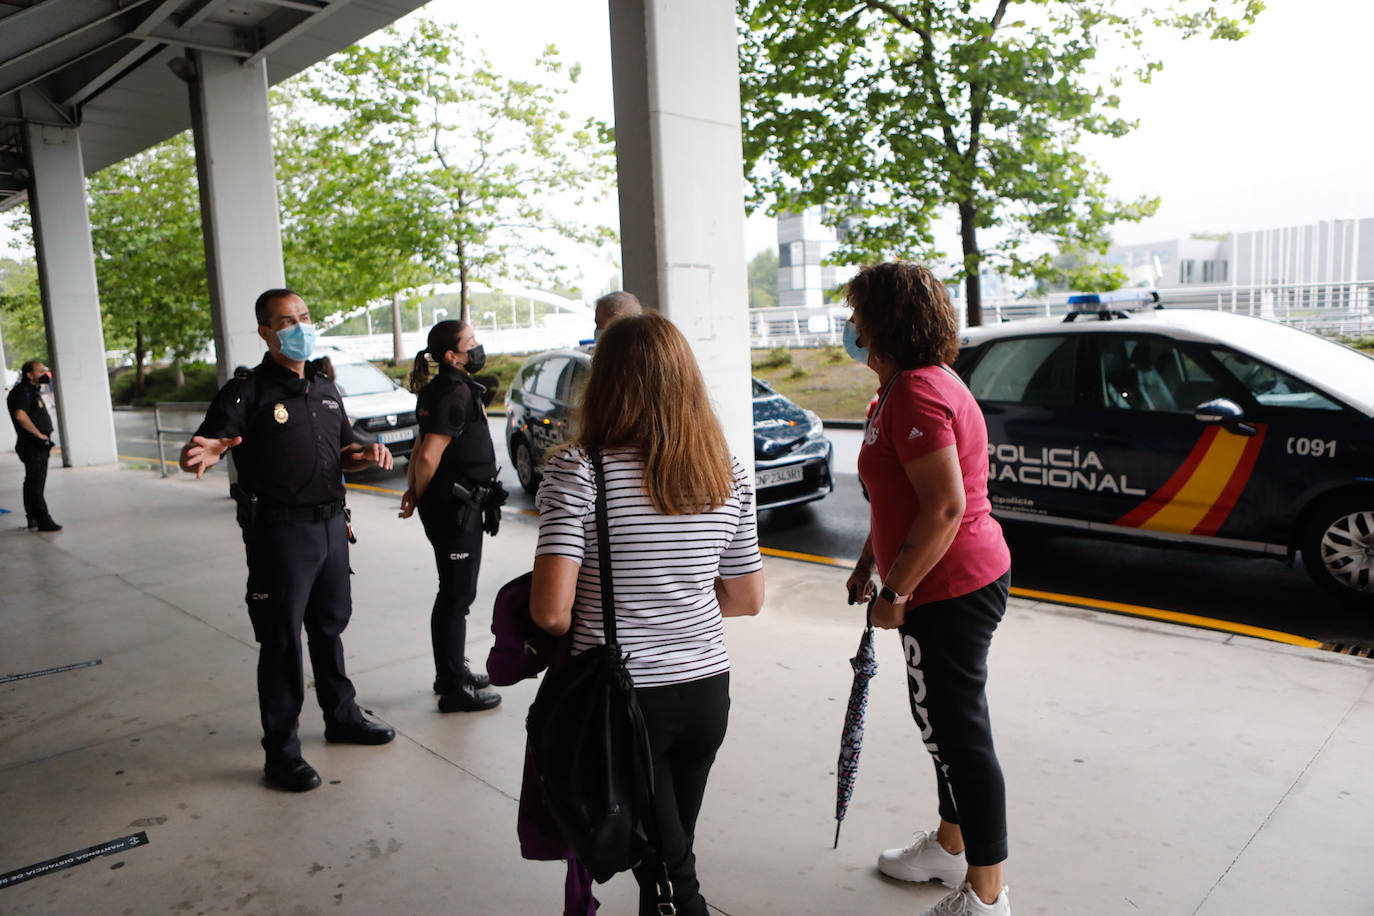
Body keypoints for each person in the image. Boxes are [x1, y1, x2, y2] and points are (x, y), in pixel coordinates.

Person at [529, 311, 765, 916]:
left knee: (671, 875)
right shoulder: (726, 470)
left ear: (604, 382)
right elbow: (746, 597)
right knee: (666, 854)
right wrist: (675, 599)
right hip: (707, 692)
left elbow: (552, 613)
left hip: (622, 704)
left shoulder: (580, 469)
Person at [843, 262, 1013, 916]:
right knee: (940, 725)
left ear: (884, 320)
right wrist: (871, 565)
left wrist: (896, 593)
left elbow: (943, 509)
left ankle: (987, 896)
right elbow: (897, 497)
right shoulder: (900, 389)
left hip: (950, 586)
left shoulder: (916, 392)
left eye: (858, 311)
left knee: (958, 734)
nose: (851, 323)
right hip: (938, 580)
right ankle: (948, 848)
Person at [179, 288, 397, 793]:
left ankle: (342, 718)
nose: (299, 326)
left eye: (303, 316)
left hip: (330, 527)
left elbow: (341, 450)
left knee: (329, 627)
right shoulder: (247, 392)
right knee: (280, 642)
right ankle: (281, 752)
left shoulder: (324, 386)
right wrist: (208, 449)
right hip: (280, 534)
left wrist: (360, 455)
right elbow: (212, 440)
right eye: (285, 320)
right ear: (265, 332)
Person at [399, 320, 504, 713]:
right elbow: (428, 454)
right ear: (451, 355)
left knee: (456, 593)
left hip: (454, 507)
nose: (477, 347)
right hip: (454, 509)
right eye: (471, 342)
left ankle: (452, 670)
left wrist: (414, 492)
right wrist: (423, 496)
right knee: (456, 596)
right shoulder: (453, 393)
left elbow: (420, 445)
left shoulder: (443, 388)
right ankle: (453, 687)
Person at [7, 360, 61, 531]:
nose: (44, 374)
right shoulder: (23, 392)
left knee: (32, 483)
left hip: (36, 444)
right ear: (29, 375)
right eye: (40, 371)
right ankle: (43, 520)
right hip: (33, 444)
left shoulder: (31, 391)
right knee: (36, 484)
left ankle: (33, 518)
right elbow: (20, 415)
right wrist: (38, 434)